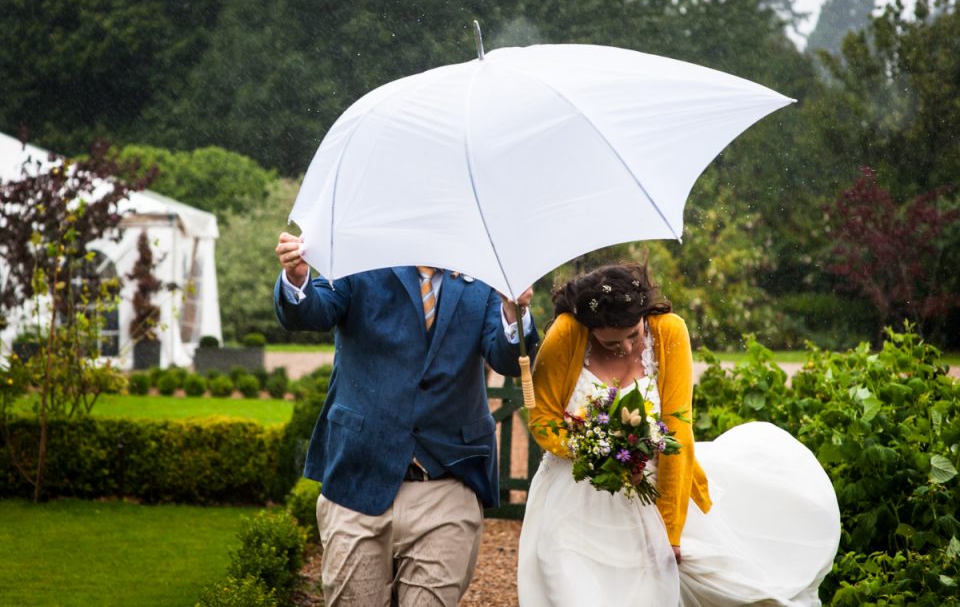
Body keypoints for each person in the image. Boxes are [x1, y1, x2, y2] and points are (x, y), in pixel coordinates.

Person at [518, 262, 841, 606]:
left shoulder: (669, 332)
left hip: (650, 493)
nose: (627, 349)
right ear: (591, 328)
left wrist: (670, 530)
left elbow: (677, 430)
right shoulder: (568, 331)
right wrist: (597, 449)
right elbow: (542, 418)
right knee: (570, 590)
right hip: (572, 500)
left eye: (634, 335)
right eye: (613, 342)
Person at [274, 232, 538, 606]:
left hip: (448, 481)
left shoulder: (486, 273)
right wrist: (298, 278)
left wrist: (515, 313)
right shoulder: (361, 259)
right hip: (358, 476)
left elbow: (507, 358)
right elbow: (311, 311)